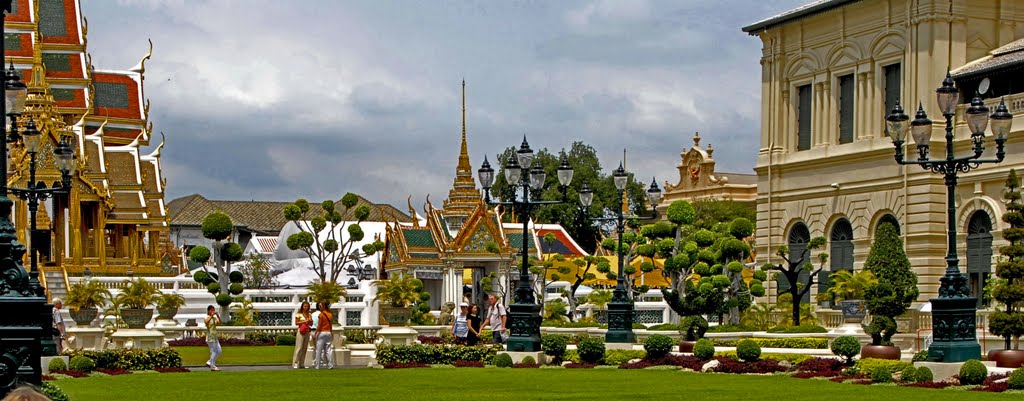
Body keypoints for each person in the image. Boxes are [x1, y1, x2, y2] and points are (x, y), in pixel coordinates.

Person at [313, 302, 334, 369]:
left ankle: (317, 365)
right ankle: (330, 365)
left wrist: (315, 333)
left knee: (319, 350)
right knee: (328, 350)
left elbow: (319, 325)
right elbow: (330, 325)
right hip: (328, 332)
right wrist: (331, 332)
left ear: (323, 307)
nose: (319, 307)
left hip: (322, 332)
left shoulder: (321, 315)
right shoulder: (330, 315)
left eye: (320, 306)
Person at [293, 301, 313, 369]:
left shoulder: (309, 314)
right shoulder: (299, 314)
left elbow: (311, 324)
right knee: (299, 347)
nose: (306, 308)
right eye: (305, 306)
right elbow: (296, 323)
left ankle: (302, 363)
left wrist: (310, 322)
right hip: (301, 331)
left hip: (307, 331)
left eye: (307, 306)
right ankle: (296, 362)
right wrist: (305, 321)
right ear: (302, 307)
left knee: (305, 348)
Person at [204, 305, 221, 371]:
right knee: (213, 351)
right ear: (209, 311)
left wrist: (218, 316)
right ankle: (213, 366)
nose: (213, 311)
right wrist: (211, 316)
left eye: (214, 310)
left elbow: (219, 323)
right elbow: (206, 323)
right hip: (210, 336)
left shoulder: (214, 318)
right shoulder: (206, 317)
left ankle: (209, 362)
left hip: (215, 336)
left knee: (219, 351)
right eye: (212, 310)